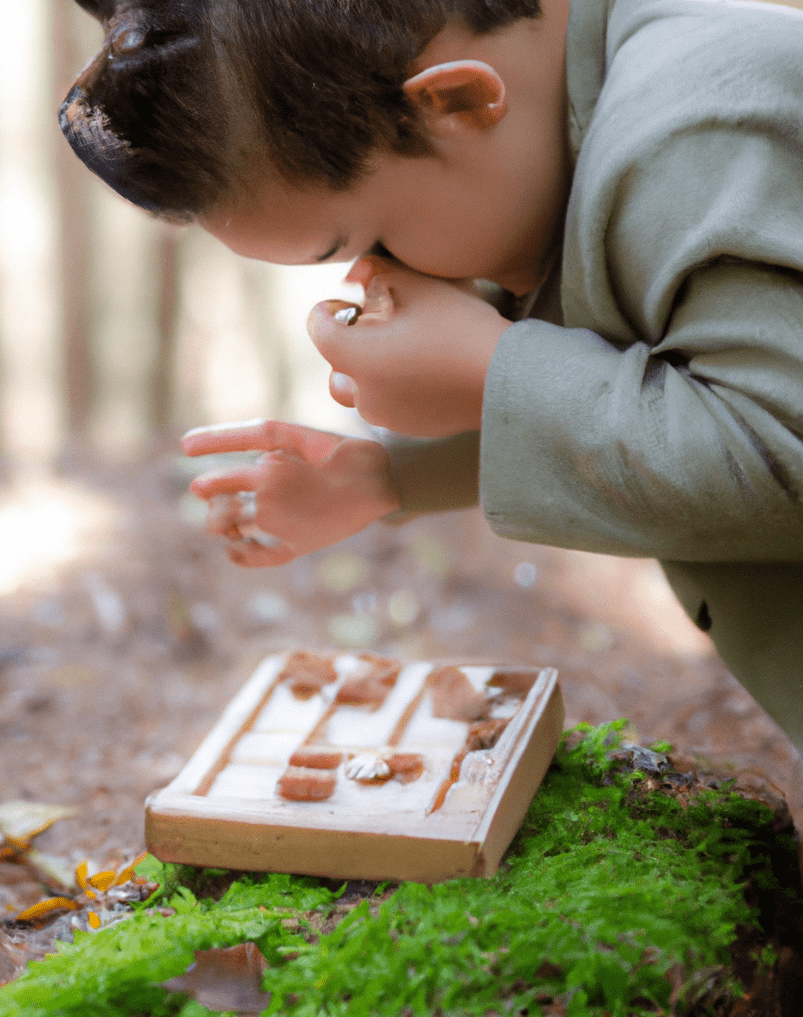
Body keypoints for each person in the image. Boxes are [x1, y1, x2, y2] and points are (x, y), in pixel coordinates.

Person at [59, 0, 803, 754]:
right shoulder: (580, 128)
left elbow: (779, 459)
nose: (377, 275)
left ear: (456, 102)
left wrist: (492, 369)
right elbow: (671, 403)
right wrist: (390, 479)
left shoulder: (696, 129)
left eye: (373, 238)